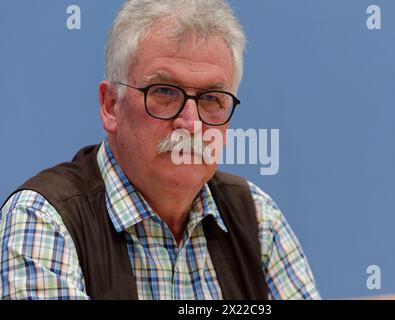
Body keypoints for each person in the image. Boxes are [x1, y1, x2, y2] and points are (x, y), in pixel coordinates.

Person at [0, 0, 320, 300]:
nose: (191, 124)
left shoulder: (257, 218)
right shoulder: (42, 219)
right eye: (165, 92)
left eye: (211, 99)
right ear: (111, 106)